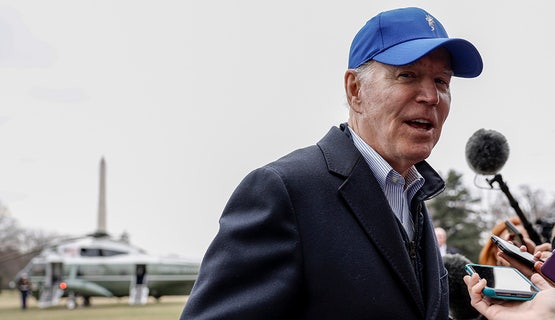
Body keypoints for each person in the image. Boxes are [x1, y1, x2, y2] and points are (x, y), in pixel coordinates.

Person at [180, 7, 483, 319]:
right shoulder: (284, 191)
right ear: (355, 90)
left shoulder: (411, 194)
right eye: (407, 75)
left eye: (441, 81)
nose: (432, 96)